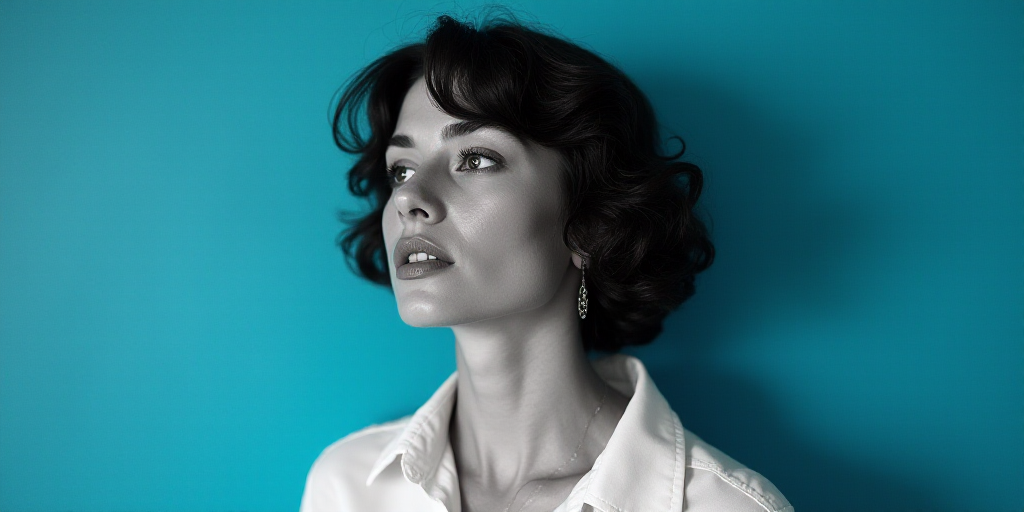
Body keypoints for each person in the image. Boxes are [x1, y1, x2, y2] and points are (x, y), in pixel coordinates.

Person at [300, 13, 792, 512]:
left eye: (475, 159)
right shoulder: (347, 486)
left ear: (588, 225)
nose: (409, 197)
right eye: (400, 168)